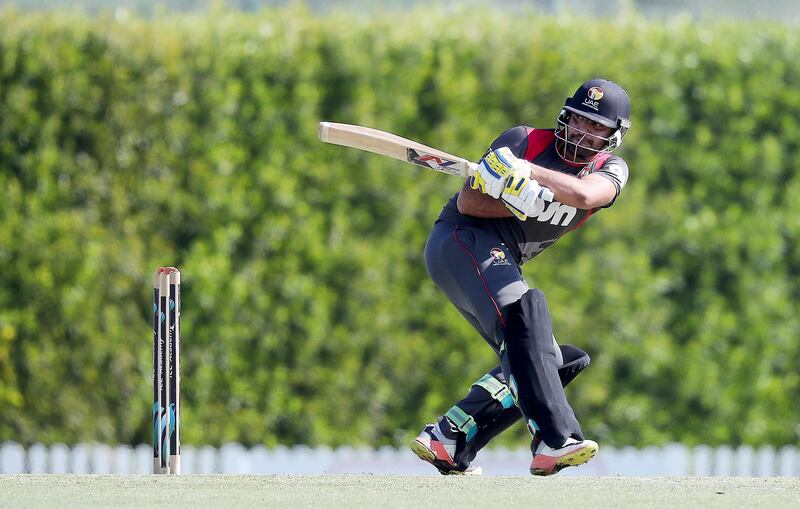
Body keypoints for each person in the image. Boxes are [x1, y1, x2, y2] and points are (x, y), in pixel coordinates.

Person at [410, 78, 632, 476]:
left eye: (597, 126)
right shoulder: (523, 140)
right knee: (528, 314)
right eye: (579, 120)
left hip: (498, 256)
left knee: (555, 360)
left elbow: (585, 196)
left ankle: (450, 438)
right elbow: (469, 201)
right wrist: (515, 198)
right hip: (462, 240)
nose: (584, 131)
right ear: (565, 117)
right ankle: (554, 438)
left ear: (613, 136)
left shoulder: (610, 168)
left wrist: (531, 180)